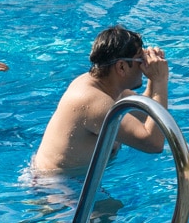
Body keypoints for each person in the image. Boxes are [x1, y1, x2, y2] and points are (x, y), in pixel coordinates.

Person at [31, 26, 170, 174]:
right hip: (56, 187)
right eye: (140, 60)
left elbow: (143, 111)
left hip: (75, 181)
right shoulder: (92, 101)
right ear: (121, 67)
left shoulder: (108, 86)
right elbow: (153, 143)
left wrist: (154, 79)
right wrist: (160, 80)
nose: (144, 65)